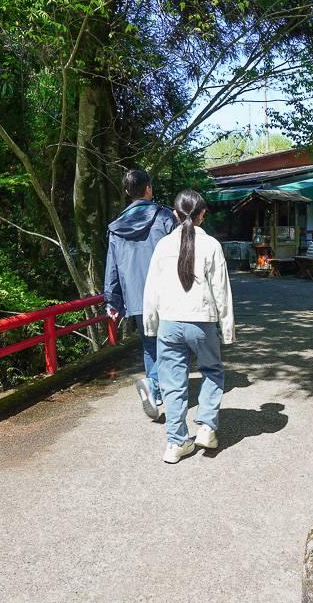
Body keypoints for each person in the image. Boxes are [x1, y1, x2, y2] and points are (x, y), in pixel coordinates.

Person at [143, 189, 235, 463]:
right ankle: (206, 427)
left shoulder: (163, 246)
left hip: (169, 322)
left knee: (172, 383)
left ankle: (176, 442)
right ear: (202, 214)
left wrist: (151, 325)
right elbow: (221, 291)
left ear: (175, 214)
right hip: (202, 321)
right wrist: (227, 329)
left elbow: (152, 290)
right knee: (212, 371)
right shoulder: (212, 245)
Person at [104, 169, 178, 420]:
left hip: (137, 297)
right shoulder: (165, 216)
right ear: (148, 188)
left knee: (150, 345)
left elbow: (112, 267)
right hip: (167, 294)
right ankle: (159, 387)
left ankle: (154, 392)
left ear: (127, 192)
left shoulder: (116, 226)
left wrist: (112, 301)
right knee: (172, 343)